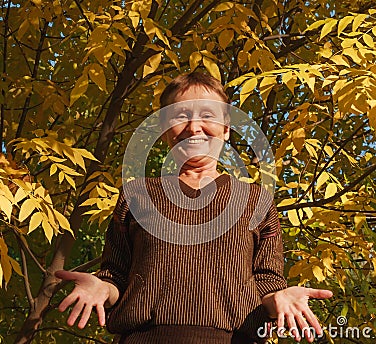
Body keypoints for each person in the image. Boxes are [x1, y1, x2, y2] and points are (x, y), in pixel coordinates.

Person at [55, 72, 332, 343]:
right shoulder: (137, 194)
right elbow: (116, 276)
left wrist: (280, 298)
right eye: (181, 116)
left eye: (208, 115)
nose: (194, 126)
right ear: (165, 132)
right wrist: (101, 288)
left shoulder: (256, 200)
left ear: (226, 130)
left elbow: (267, 284)